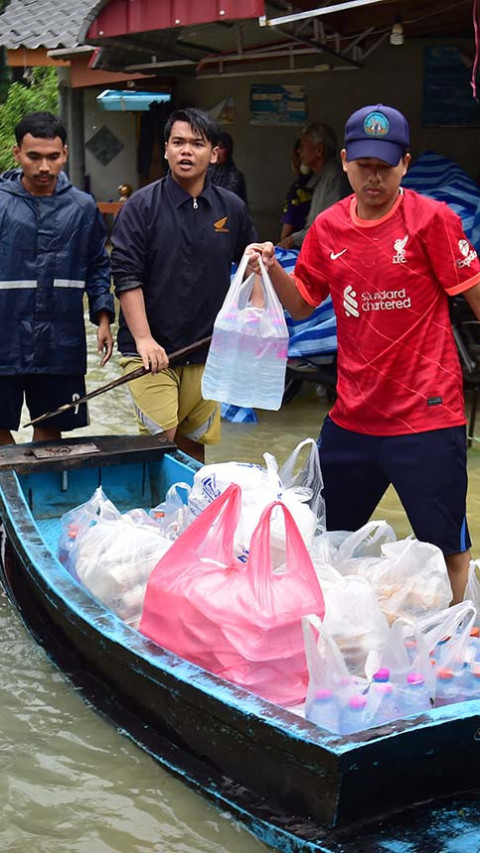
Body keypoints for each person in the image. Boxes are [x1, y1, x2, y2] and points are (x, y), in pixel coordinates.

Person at [246, 103, 480, 605]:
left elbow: (476, 295)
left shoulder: (432, 220)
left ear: (405, 164)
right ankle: (334, 628)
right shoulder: (328, 227)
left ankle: (464, 635)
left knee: (448, 547)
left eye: (386, 166)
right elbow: (304, 306)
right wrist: (269, 269)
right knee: (324, 534)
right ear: (346, 161)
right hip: (353, 416)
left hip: (427, 417)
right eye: (364, 165)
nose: (374, 177)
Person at [110, 108, 257, 463]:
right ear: (165, 150)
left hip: (208, 350)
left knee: (193, 448)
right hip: (151, 352)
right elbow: (126, 276)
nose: (186, 151)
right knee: (163, 445)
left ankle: (191, 518)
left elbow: (251, 268)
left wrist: (251, 321)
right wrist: (144, 339)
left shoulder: (231, 208)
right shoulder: (140, 207)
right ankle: (156, 515)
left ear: (215, 153)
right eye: (178, 142)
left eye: (197, 143)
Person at [0, 111, 114, 446]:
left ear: (65, 153)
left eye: (53, 157)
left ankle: (38, 495)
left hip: (60, 339)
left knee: (51, 427)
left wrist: (104, 317)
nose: (44, 168)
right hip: (3, 336)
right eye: (34, 157)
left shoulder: (82, 207)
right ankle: (11, 491)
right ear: (17, 153)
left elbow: (97, 264)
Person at [277, 122, 350, 250]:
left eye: (303, 145)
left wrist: (292, 239)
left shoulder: (334, 176)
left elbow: (327, 224)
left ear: (319, 149)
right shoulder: (319, 177)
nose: (299, 151)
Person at [279, 138, 312, 242]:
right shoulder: (320, 183)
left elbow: (286, 231)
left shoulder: (296, 191)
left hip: (297, 248)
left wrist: (285, 243)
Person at [208, 131, 248, 204]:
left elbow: (226, 201)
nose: (217, 152)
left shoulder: (234, 176)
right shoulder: (207, 171)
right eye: (215, 147)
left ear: (228, 150)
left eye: (221, 147)